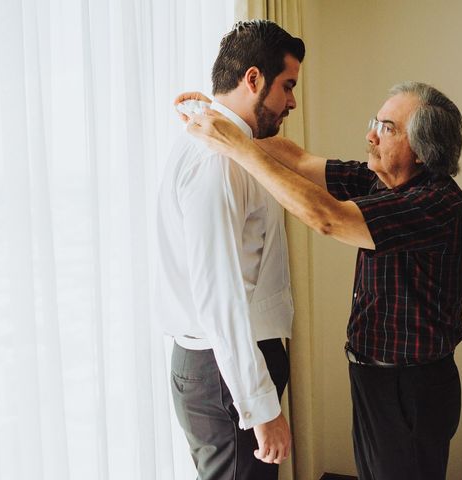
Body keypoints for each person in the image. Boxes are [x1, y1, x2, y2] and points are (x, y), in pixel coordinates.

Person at [180, 81, 462, 480]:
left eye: (386, 127)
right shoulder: (379, 180)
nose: (370, 134)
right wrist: (227, 120)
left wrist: (238, 147)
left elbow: (328, 218)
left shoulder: (438, 204)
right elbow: (298, 161)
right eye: (376, 121)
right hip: (375, 377)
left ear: (422, 150)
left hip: (412, 388)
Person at [155, 20, 305, 480]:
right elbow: (218, 295)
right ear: (253, 79)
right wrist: (261, 408)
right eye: (288, 86)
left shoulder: (225, 141)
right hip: (226, 369)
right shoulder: (218, 160)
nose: (293, 102)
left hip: (221, 365)